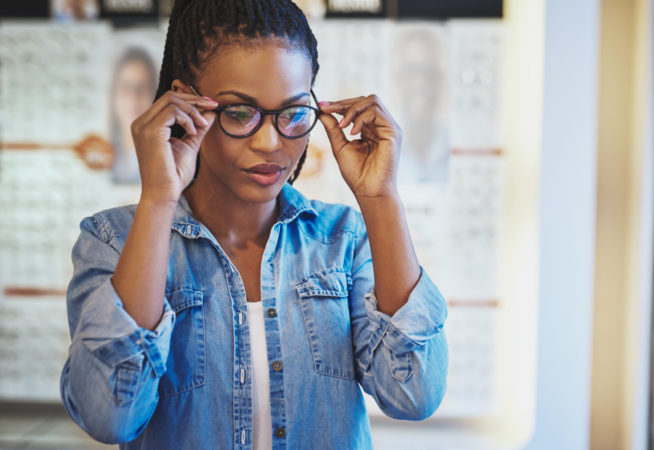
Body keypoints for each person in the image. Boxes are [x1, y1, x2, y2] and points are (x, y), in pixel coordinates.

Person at [59, 1, 448, 448]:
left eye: (294, 113)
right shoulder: (112, 242)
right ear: (184, 102)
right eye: (239, 113)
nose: (271, 142)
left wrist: (381, 199)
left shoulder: (344, 241)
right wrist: (158, 199)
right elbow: (110, 417)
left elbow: (414, 393)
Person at [109, 47, 158, 183]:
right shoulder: (103, 156)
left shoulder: (164, 158)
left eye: (142, 88)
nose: (133, 98)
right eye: (125, 87)